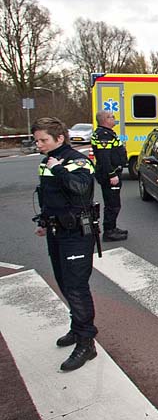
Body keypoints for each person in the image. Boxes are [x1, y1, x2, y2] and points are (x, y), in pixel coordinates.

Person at [32, 117, 99, 371]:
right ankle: (77, 327)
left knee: (76, 286)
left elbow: (81, 189)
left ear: (59, 138)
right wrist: (43, 221)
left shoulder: (76, 160)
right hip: (55, 231)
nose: (39, 144)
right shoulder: (45, 161)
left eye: (43, 140)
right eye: (37, 140)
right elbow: (49, 196)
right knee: (63, 282)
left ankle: (86, 342)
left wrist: (59, 168)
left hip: (76, 234)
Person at [91, 110, 128, 242]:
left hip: (112, 172)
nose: (114, 119)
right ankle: (109, 231)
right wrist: (111, 174)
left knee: (113, 203)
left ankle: (112, 227)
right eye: (112, 117)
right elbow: (104, 158)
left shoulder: (107, 133)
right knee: (113, 204)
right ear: (105, 120)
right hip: (109, 174)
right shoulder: (103, 135)